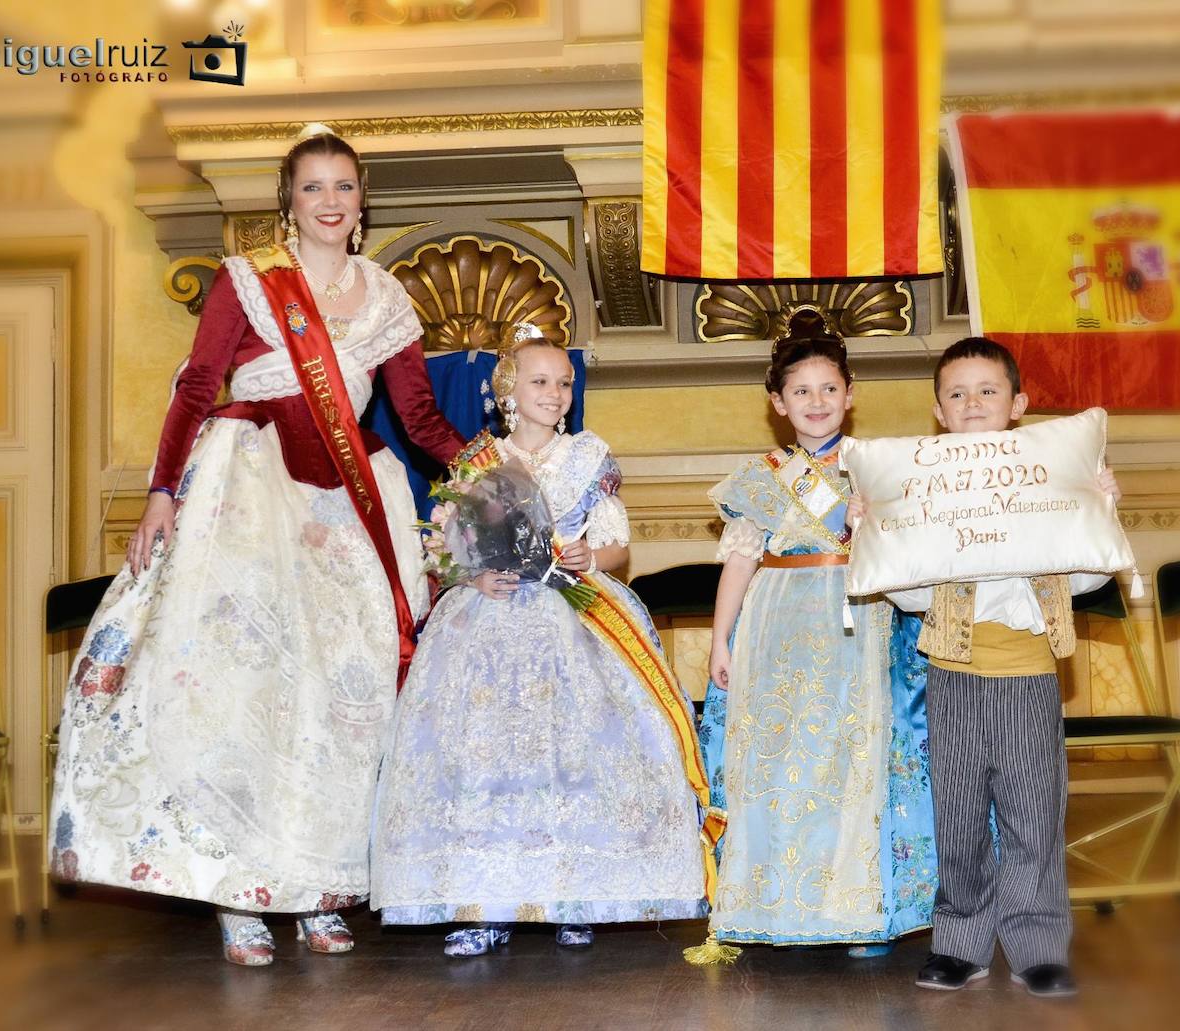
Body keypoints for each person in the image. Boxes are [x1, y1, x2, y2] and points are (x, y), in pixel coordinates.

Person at [48, 127, 465, 966]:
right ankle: (238, 893)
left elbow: (419, 421)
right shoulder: (247, 282)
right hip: (250, 490)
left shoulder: (386, 296)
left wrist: (493, 470)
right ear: (289, 202)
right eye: (312, 187)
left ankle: (315, 889)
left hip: (349, 511)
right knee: (244, 688)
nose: (329, 201)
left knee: (340, 700)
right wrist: (162, 492)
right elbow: (197, 388)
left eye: (343, 185)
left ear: (362, 197)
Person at [370, 330, 710, 956]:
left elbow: (615, 544)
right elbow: (444, 543)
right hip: (487, 620)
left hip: (569, 611)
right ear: (507, 391)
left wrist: (589, 555)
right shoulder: (477, 457)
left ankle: (572, 894)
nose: (555, 393)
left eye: (564, 382)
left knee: (575, 751)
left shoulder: (588, 454)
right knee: (483, 756)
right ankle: (481, 900)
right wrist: (472, 571)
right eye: (540, 381)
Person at [694, 310, 935, 958]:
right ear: (777, 402)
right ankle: (785, 909)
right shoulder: (762, 477)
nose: (817, 402)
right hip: (778, 631)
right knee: (781, 768)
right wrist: (722, 640)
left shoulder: (877, 470)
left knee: (856, 767)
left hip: (861, 629)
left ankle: (857, 912)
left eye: (829, 388)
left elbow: (910, 557)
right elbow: (741, 560)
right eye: (801, 391)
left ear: (850, 394)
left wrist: (871, 522)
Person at [885, 337, 1120, 999]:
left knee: (1032, 813)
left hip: (1027, 670)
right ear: (938, 410)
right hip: (953, 668)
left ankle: (1038, 944)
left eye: (987, 390)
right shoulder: (922, 486)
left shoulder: (1046, 477)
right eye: (956, 393)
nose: (972, 404)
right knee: (957, 812)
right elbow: (904, 592)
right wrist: (877, 531)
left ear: (1018, 403)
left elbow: (1086, 576)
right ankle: (960, 942)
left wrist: (1098, 507)